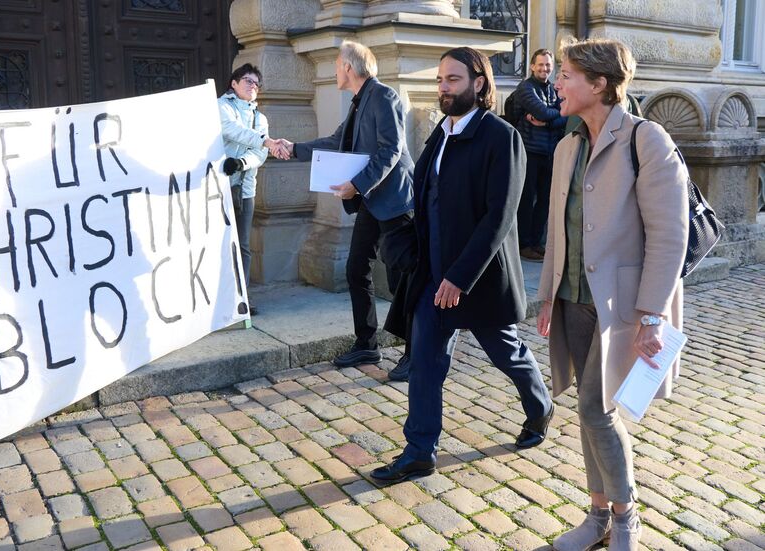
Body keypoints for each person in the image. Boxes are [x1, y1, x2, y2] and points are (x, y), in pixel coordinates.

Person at [370, 47, 553, 484]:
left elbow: (499, 216)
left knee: (505, 353)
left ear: (479, 83)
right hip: (434, 277)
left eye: (453, 80)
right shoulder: (441, 133)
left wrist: (460, 276)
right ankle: (419, 450)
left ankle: (540, 406)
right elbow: (425, 196)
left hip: (477, 279)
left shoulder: (501, 137)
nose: (443, 88)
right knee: (425, 361)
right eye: (439, 80)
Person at [537, 38, 688, 551]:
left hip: (625, 305)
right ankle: (598, 514)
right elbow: (557, 230)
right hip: (574, 297)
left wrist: (652, 316)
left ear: (599, 84)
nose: (557, 82)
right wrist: (545, 297)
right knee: (588, 405)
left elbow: (670, 234)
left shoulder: (646, 139)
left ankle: (624, 516)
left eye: (567, 74)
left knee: (596, 410)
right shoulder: (567, 146)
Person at [277, 40, 414, 370]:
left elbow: (391, 151)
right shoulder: (358, 103)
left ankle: (417, 353)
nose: (336, 69)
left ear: (349, 67)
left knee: (403, 281)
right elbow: (335, 143)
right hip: (370, 200)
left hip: (394, 201)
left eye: (338, 64)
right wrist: (293, 147)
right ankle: (366, 344)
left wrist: (356, 184)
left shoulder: (384, 96)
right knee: (356, 270)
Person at [217, 63, 288, 315]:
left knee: (243, 245)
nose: (252, 86)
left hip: (244, 190)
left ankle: (241, 299)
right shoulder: (221, 106)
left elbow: (260, 153)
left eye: (256, 83)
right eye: (247, 80)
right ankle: (214, 302)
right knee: (217, 243)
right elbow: (231, 131)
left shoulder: (262, 118)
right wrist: (265, 141)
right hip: (216, 187)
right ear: (234, 83)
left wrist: (241, 163)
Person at [514, 49, 566, 261]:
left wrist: (548, 120)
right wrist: (553, 116)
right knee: (526, 200)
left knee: (545, 200)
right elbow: (545, 112)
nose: (544, 68)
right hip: (529, 151)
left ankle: (536, 243)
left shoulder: (554, 90)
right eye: (540, 64)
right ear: (532, 66)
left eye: (548, 65)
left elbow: (567, 113)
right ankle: (523, 244)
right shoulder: (525, 88)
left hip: (550, 152)